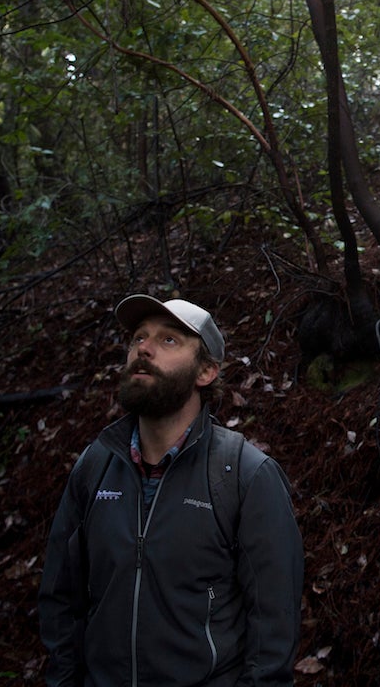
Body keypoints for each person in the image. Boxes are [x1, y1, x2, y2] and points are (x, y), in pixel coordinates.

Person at [38, 294, 304, 686]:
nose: (143, 348)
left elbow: (274, 628)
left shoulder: (244, 475)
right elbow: (61, 598)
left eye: (168, 341)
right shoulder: (95, 467)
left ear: (206, 372)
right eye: (138, 338)